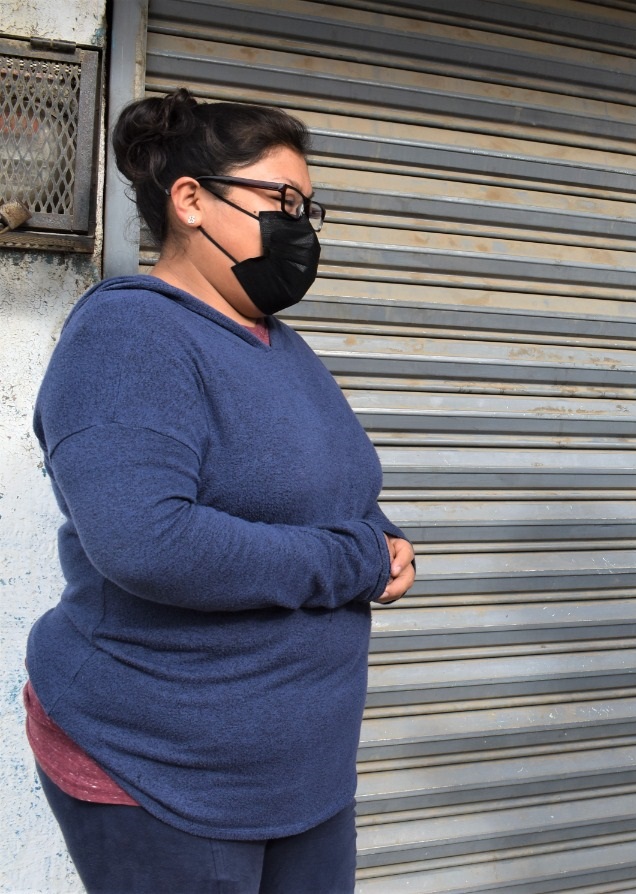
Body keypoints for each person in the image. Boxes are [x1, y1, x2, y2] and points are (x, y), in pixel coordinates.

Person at [24, 88, 416, 893]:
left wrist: (382, 534)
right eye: (281, 200)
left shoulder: (282, 348)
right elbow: (148, 543)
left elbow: (330, 491)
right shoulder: (130, 336)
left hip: (301, 776)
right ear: (191, 200)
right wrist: (356, 560)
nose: (299, 228)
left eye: (307, 208)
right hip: (166, 772)